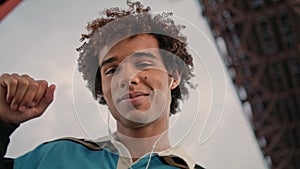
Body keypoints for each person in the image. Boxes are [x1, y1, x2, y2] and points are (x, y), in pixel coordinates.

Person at [0, 1, 203, 168]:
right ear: (102, 89)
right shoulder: (55, 156)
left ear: (173, 76)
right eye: (112, 70)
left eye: (143, 64)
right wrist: (2, 122)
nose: (128, 78)